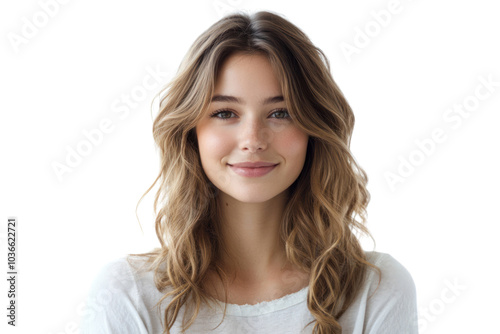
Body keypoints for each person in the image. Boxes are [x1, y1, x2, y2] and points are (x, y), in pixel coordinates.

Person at [80, 10, 418, 334]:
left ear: (314, 130)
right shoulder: (127, 294)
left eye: (280, 112)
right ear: (191, 132)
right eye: (226, 113)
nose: (253, 140)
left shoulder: (377, 290)